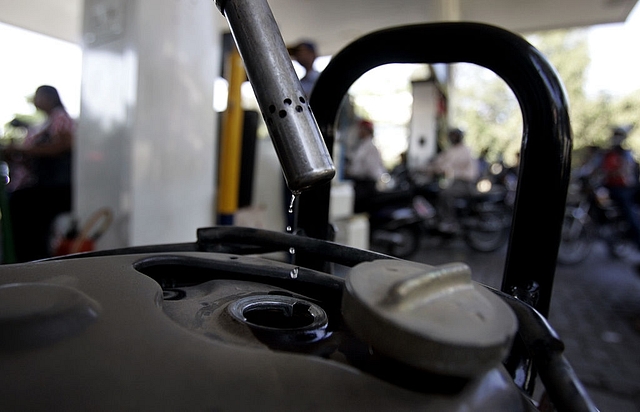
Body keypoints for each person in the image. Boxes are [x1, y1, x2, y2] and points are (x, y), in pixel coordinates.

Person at [4, 85, 75, 262]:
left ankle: (28, 261)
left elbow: (64, 145)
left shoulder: (59, 117)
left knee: (21, 207)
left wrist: (26, 150)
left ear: (49, 97)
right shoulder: (46, 122)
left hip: (53, 187)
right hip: (42, 185)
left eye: (38, 96)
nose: (35, 101)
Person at [427, 128, 479, 233]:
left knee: (446, 194)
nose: (452, 138)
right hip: (455, 181)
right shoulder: (452, 150)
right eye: (451, 136)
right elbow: (439, 160)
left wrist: (436, 168)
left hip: (465, 183)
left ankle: (450, 222)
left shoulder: (463, 150)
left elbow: (446, 164)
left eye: (455, 136)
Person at [598, 126, 640, 249]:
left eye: (619, 135)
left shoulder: (626, 154)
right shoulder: (607, 153)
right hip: (608, 187)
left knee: (629, 214)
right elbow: (595, 168)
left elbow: (627, 171)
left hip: (624, 189)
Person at [344, 119, 387, 213]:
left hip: (366, 186)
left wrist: (352, 171)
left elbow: (371, 169)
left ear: (367, 131)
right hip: (360, 184)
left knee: (362, 213)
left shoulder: (371, 148)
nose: (359, 131)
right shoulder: (362, 146)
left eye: (361, 129)